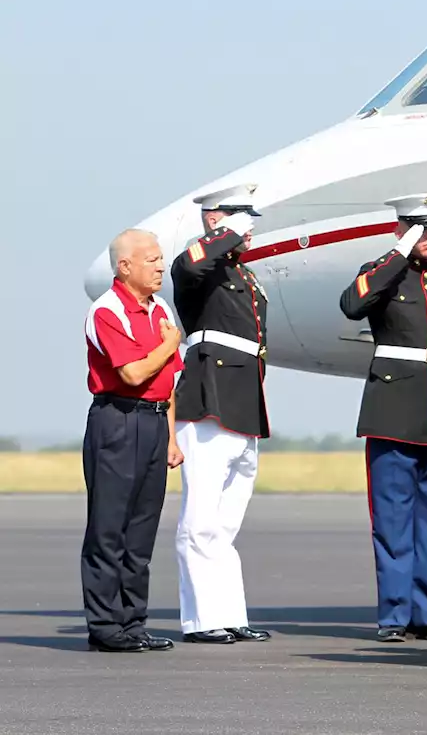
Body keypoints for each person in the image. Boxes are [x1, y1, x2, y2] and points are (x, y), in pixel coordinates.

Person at [339, 193, 427, 643]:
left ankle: (425, 613)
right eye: (418, 228)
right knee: (392, 520)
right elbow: (353, 305)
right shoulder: (382, 272)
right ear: (401, 230)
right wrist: (398, 253)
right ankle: (393, 615)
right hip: (392, 411)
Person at [171, 183, 272, 645]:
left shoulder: (247, 278)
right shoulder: (197, 270)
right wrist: (227, 229)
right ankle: (201, 619)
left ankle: (228, 613)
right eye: (239, 220)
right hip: (208, 402)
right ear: (218, 220)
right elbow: (191, 263)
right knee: (200, 518)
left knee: (226, 521)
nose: (248, 231)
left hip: (242, 405)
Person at [81, 229, 186, 652]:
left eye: (161, 259)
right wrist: (171, 342)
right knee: (110, 528)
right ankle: (106, 627)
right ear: (125, 266)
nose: (161, 267)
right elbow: (133, 374)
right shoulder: (106, 311)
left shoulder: (158, 307)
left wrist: (172, 435)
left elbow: (166, 380)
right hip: (117, 420)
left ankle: (133, 623)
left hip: (155, 422)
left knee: (141, 531)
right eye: (152, 260)